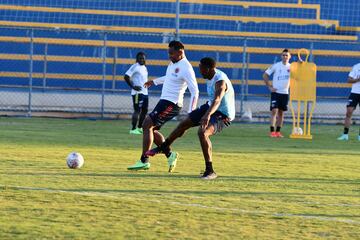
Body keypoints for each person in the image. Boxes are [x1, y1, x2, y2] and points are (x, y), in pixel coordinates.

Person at [145, 57, 235, 180]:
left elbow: (218, 100)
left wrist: (207, 115)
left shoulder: (220, 81)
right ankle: (163, 147)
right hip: (210, 106)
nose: (200, 71)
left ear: (208, 69)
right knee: (184, 123)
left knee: (203, 132)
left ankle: (210, 170)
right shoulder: (211, 75)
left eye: (201, 69)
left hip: (223, 114)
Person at [127, 40, 199, 172]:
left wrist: (191, 113)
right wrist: (154, 82)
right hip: (164, 101)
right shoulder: (173, 63)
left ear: (180, 51)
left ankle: (144, 160)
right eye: (169, 53)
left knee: (147, 123)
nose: (169, 56)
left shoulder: (187, 68)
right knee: (151, 130)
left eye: (171, 53)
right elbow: (169, 77)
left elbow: (195, 91)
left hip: (172, 103)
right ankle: (170, 155)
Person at [263, 49, 291, 138]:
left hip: (285, 93)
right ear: (281, 56)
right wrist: (269, 87)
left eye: (286, 55)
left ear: (289, 57)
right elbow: (265, 75)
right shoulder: (276, 66)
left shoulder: (292, 67)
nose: (285, 57)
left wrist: (300, 63)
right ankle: (272, 131)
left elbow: (300, 72)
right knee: (274, 110)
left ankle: (278, 132)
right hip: (276, 92)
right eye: (283, 55)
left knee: (281, 113)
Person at [124, 52, 148, 135]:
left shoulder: (144, 67)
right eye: (140, 58)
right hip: (137, 93)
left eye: (143, 58)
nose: (142, 59)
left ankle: (139, 128)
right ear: (137, 59)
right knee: (137, 110)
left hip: (145, 92)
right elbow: (126, 76)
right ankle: (133, 129)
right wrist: (133, 86)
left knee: (144, 110)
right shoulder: (135, 66)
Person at [337, 62, 360, 141]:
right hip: (354, 93)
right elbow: (349, 80)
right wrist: (358, 79)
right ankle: (345, 135)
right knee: (349, 112)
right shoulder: (356, 66)